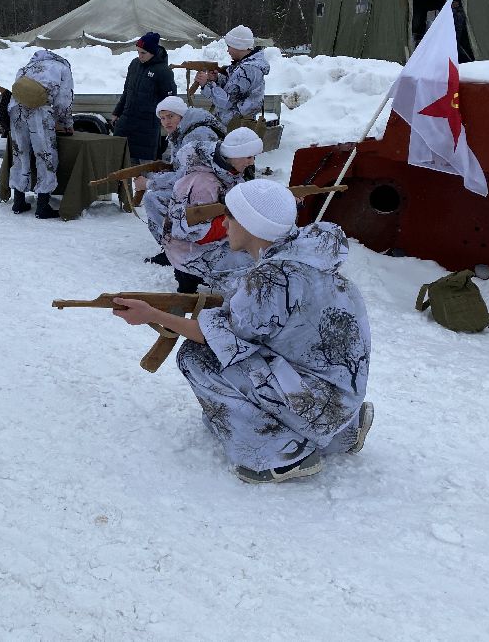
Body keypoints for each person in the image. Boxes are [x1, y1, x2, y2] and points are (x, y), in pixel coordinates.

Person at [112, 179, 373, 484]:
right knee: (252, 358)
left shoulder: (272, 278)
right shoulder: (308, 254)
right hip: (342, 395)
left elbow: (219, 338)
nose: (224, 223)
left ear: (252, 226)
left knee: (199, 357)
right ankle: (344, 434)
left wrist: (151, 315)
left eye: (231, 217)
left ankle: (279, 456)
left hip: (318, 401)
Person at [156, 128, 263, 290]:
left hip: (208, 244)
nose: (252, 162)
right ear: (234, 155)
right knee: (254, 264)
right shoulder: (204, 183)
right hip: (191, 252)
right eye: (248, 157)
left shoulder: (229, 175)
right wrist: (238, 220)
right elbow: (197, 235)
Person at [137, 96, 225, 247]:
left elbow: (184, 176)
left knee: (153, 199)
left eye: (171, 116)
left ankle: (172, 248)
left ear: (181, 115)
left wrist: (149, 182)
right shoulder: (183, 132)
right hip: (201, 186)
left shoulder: (197, 134)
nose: (166, 121)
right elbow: (180, 169)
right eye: (163, 118)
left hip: (209, 190)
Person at [8, 49, 74, 219]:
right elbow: (63, 101)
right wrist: (66, 123)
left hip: (16, 110)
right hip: (40, 113)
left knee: (20, 152)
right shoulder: (61, 68)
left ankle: (18, 201)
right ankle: (42, 205)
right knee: (45, 155)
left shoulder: (26, 67)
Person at [112, 31, 177, 163]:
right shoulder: (134, 65)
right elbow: (127, 91)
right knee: (121, 163)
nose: (140, 56)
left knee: (144, 169)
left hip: (147, 126)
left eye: (143, 53)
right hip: (127, 122)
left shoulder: (163, 71)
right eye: (138, 52)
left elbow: (170, 101)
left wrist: (167, 121)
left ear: (153, 52)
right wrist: (117, 112)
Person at [195, 25, 269, 129]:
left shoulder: (247, 69)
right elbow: (234, 88)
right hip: (237, 124)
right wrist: (217, 79)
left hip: (234, 126)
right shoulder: (246, 65)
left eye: (229, 46)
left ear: (238, 46)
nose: (228, 51)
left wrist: (207, 84)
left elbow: (227, 102)